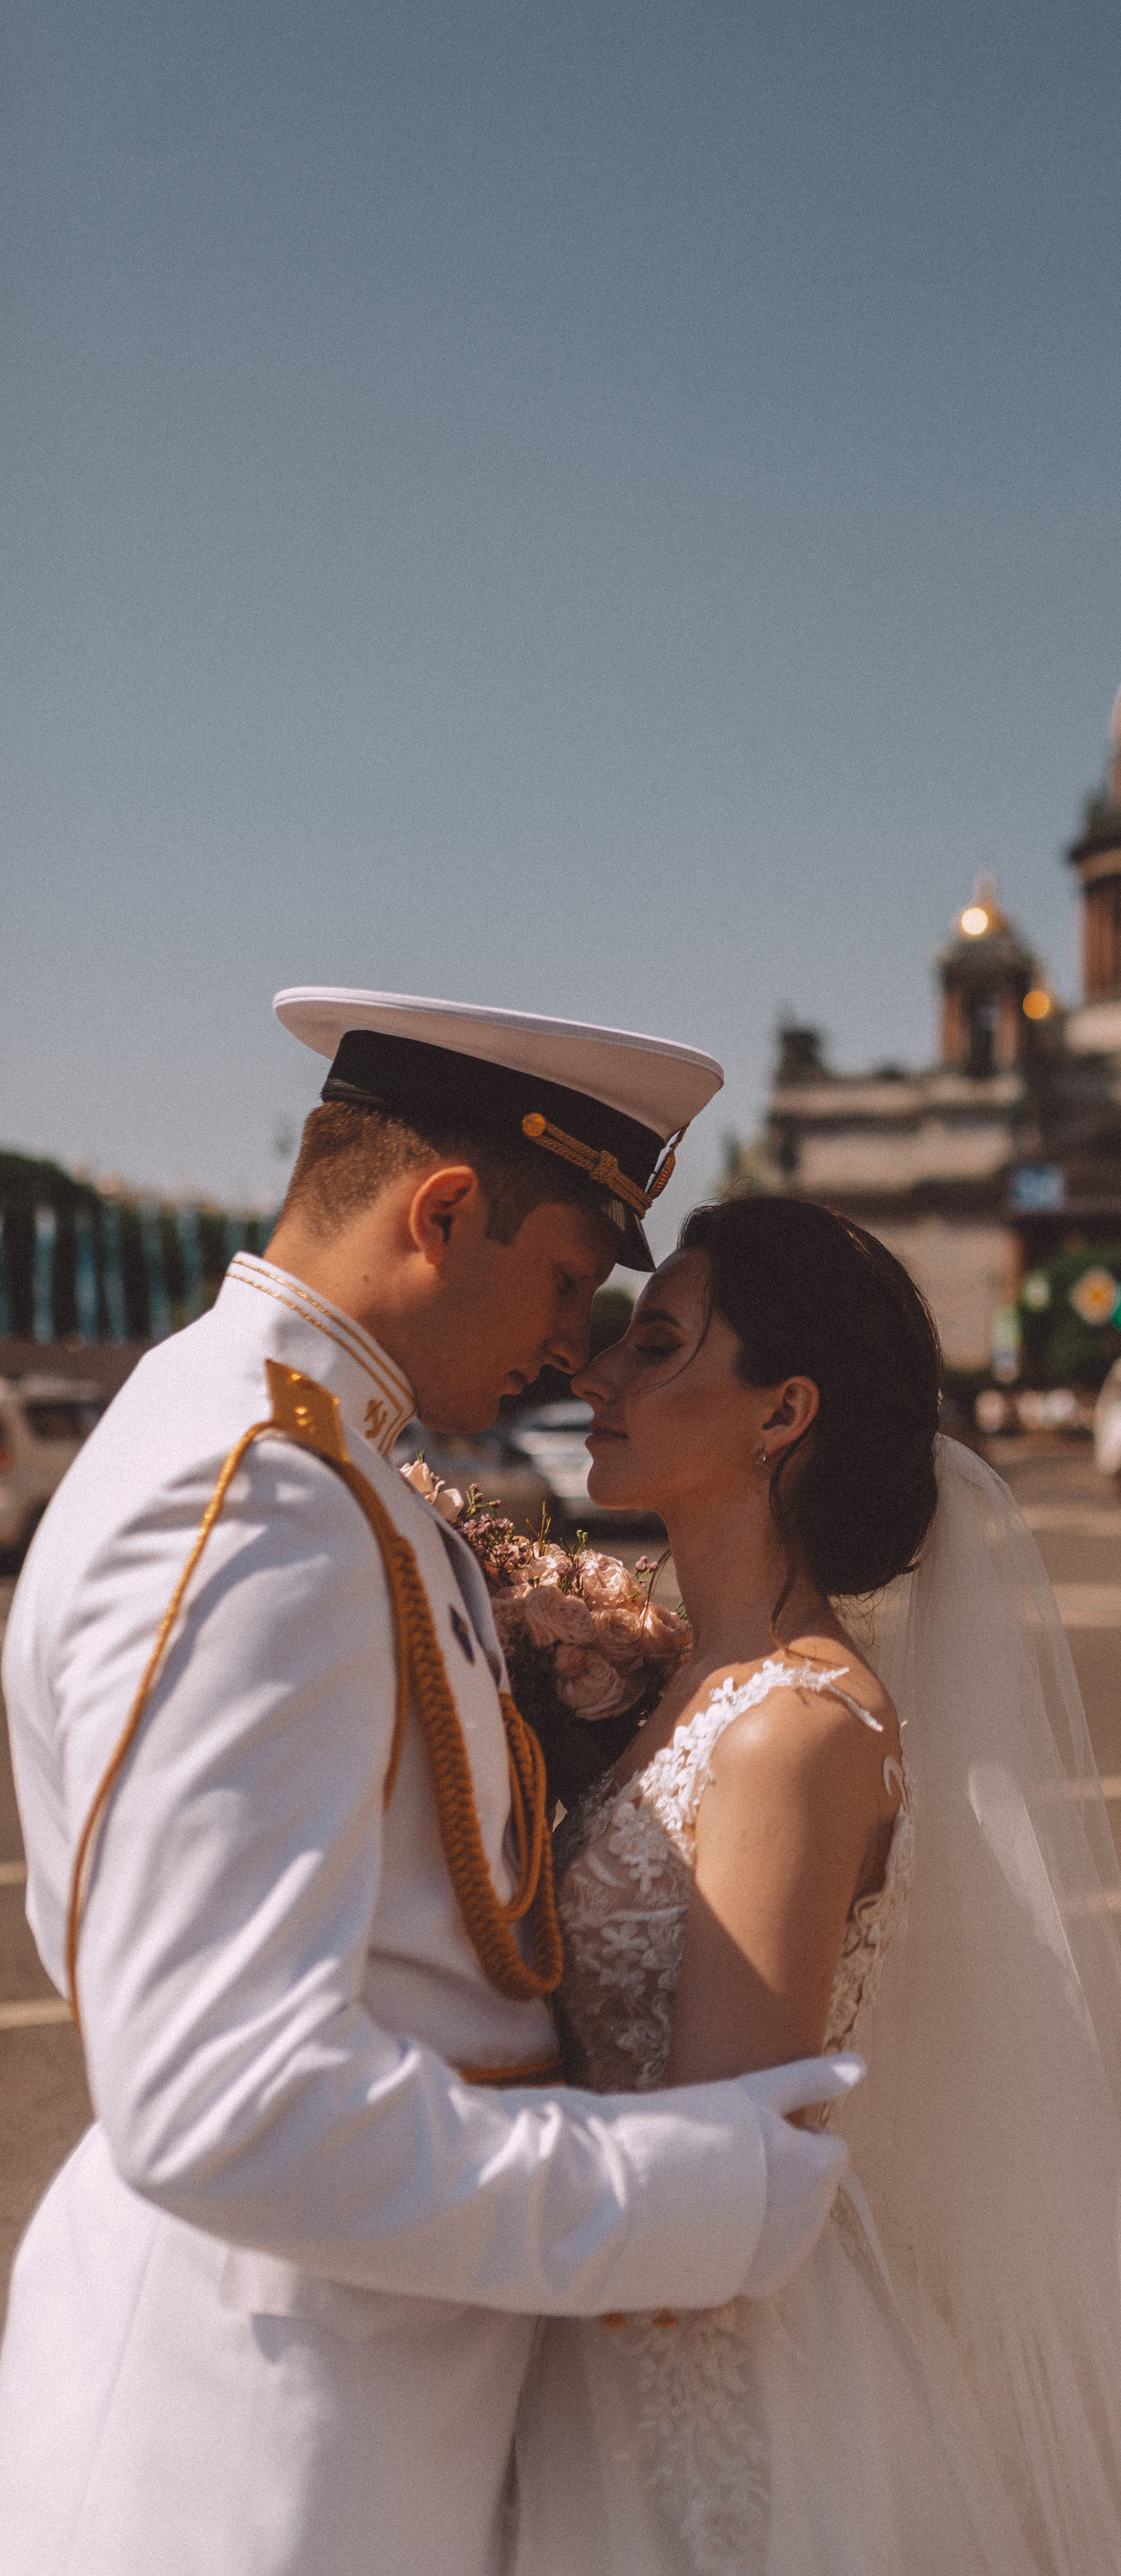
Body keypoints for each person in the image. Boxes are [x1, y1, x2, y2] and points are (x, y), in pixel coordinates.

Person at [0, 991, 860, 2576]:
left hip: (344, 2393)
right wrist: (681, 2197)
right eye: (567, 1281)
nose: (574, 1347)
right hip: (254, 2449)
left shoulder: (310, 1457)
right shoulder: (260, 1493)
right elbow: (220, 2101)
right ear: (444, 1214)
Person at [511, 1195, 1121, 2576]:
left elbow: (724, 2150)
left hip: (696, 2384)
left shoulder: (793, 1732)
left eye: (659, 1343)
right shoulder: (666, 1680)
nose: (597, 1370)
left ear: (782, 1411)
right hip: (598, 2322)